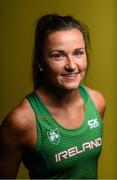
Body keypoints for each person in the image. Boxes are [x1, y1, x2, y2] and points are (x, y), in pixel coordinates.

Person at [0, 14, 106, 179]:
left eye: (78, 53)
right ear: (40, 63)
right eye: (58, 55)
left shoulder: (96, 101)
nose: (71, 65)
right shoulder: (22, 121)